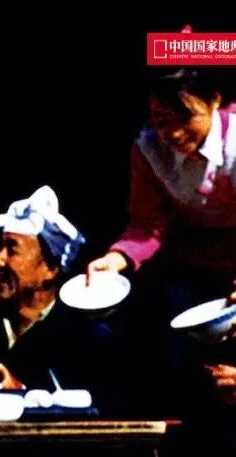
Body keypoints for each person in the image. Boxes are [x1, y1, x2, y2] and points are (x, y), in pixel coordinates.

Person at [86, 67, 236, 416]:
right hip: (189, 265)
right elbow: (148, 222)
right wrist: (117, 258)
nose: (174, 132)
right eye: (162, 119)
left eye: (185, 116)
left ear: (214, 100)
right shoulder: (149, 147)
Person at [0, 185, 128, 414]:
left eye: (12, 250)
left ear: (50, 268)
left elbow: (104, 411)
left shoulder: (84, 338)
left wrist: (20, 395)